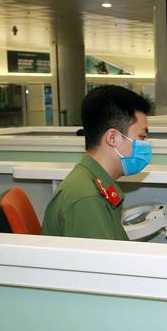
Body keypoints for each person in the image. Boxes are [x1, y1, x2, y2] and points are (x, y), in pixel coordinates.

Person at [42, 85, 151, 240]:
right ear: (112, 138)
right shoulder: (87, 199)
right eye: (142, 137)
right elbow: (104, 263)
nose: (146, 144)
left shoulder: (95, 185)